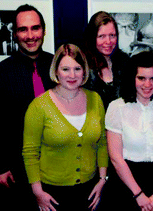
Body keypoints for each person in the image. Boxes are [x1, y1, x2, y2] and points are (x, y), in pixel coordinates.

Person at [0, 4, 56, 210]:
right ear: (14, 33)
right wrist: (0, 167)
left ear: (44, 30)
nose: (30, 35)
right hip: (18, 172)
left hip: (58, 165)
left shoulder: (58, 67)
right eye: (23, 29)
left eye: (35, 28)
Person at [23, 44, 108, 211]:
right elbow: (30, 152)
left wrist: (102, 179)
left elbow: (102, 143)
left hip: (89, 191)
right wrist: (37, 191)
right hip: (52, 194)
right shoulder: (39, 106)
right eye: (65, 69)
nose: (72, 75)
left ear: (84, 71)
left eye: (77, 68)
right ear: (56, 71)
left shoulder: (95, 99)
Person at [104, 51, 153, 211]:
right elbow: (116, 158)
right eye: (141, 78)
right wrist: (139, 195)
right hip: (126, 185)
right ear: (132, 78)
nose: (147, 84)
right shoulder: (117, 107)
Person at [83, 11, 130, 110]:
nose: (108, 41)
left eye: (112, 35)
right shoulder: (83, 65)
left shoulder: (125, 62)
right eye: (101, 36)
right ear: (92, 38)